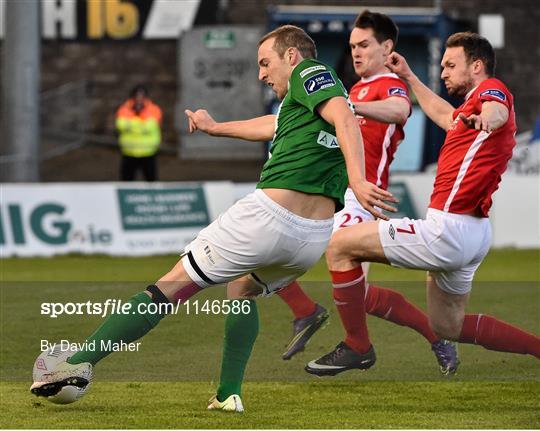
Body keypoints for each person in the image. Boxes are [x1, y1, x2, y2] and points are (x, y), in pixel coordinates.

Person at [30, 25, 396, 412]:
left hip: (268, 218)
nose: (261, 74)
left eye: (265, 63)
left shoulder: (309, 72)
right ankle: (228, 394)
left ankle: (76, 364)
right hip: (310, 240)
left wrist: (358, 178)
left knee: (167, 288)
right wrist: (215, 127)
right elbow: (273, 125)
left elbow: (345, 116)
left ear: (291, 56)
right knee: (241, 290)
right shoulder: (303, 106)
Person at [306, 31, 540, 376]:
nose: (443, 72)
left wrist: (487, 119)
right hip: (473, 233)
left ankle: (357, 346)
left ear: (476, 66)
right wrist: (410, 77)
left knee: (339, 247)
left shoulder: (492, 93)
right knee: (448, 327)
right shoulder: (466, 110)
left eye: (450, 65)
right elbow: (446, 116)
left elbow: (497, 110)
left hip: (447, 229)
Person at [277, 11, 458, 375]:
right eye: (351, 47)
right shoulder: (355, 88)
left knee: (278, 244)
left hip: (361, 199)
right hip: (335, 194)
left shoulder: (390, 83)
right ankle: (436, 338)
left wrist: (348, 107)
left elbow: (399, 109)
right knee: (362, 297)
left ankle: (327, 326)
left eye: (364, 45)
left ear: (387, 47)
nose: (356, 53)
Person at [116, 84, 162, 181]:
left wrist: (131, 125)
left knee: (151, 180)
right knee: (126, 180)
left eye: (141, 96)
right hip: (129, 152)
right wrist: (141, 125)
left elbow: (151, 126)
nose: (139, 98)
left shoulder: (153, 109)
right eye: (137, 95)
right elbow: (120, 125)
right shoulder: (124, 109)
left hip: (148, 152)